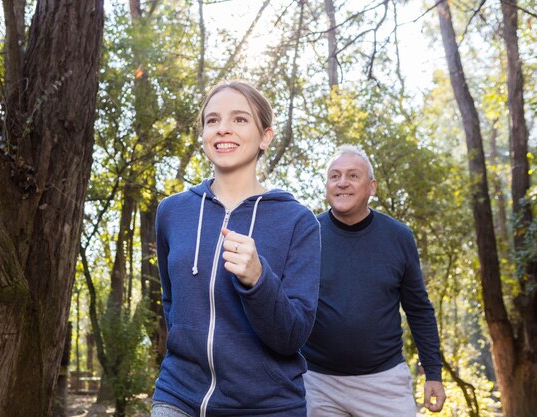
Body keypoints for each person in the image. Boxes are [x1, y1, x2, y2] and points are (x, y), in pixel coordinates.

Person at [151, 80, 321, 417]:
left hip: (267, 406)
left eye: (239, 119)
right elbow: (172, 303)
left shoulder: (298, 222)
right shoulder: (172, 212)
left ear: (265, 137)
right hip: (178, 396)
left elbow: (293, 336)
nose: (223, 129)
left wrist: (258, 280)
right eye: (212, 120)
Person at [301, 145, 446, 416]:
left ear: (372, 187)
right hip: (318, 384)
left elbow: (418, 309)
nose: (342, 182)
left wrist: (433, 373)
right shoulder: (307, 234)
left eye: (353, 176)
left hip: (384, 383)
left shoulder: (399, 237)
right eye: (335, 176)